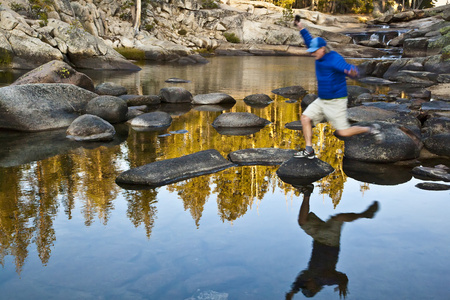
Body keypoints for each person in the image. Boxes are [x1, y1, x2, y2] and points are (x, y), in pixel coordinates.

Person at [293, 19, 384, 159]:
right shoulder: (318, 53)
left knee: (343, 132)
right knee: (305, 118)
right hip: (322, 100)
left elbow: (346, 68)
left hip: (336, 101)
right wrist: (300, 26)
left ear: (322, 49)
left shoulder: (334, 58)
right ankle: (309, 150)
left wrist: (353, 72)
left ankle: (370, 129)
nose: (312, 53)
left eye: (314, 51)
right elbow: (308, 39)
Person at [285, 184, 379, 299]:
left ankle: (307, 192)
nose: (305, 283)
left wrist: (292, 293)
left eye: (304, 285)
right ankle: (365, 214)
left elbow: (297, 285)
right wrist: (343, 284)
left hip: (318, 238)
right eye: (307, 286)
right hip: (330, 241)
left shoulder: (307, 277)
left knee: (302, 222)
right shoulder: (325, 280)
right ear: (313, 288)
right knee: (338, 218)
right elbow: (343, 277)